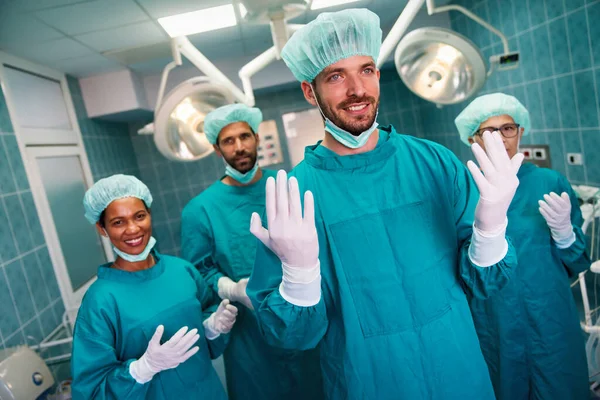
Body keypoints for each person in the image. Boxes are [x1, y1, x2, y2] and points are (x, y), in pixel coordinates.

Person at [246, 8, 524, 399]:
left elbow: (484, 282)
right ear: (310, 91)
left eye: (367, 70)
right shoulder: (295, 197)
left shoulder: (435, 163)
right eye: (336, 76)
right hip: (369, 381)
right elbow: (292, 335)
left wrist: (491, 229)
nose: (357, 89)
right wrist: (299, 280)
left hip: (459, 372)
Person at [181, 104, 323, 399]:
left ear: (257, 138)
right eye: (228, 141)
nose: (239, 147)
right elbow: (199, 271)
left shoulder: (288, 185)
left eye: (244, 136)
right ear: (217, 150)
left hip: (301, 315)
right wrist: (232, 289)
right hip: (248, 334)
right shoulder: (200, 210)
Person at [455, 93, 591, 400]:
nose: (501, 138)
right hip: (494, 321)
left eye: (507, 128)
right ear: (472, 139)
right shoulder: (464, 189)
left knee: (561, 385)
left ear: (521, 131)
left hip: (550, 315)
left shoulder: (550, 182)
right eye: (488, 131)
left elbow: (578, 260)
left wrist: (565, 235)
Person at [71, 174, 238, 400]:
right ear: (102, 229)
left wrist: (211, 328)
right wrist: (142, 369)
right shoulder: (100, 301)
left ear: (149, 214)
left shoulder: (182, 270)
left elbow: (208, 311)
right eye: (118, 222)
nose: (132, 229)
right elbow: (90, 391)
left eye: (139, 216)